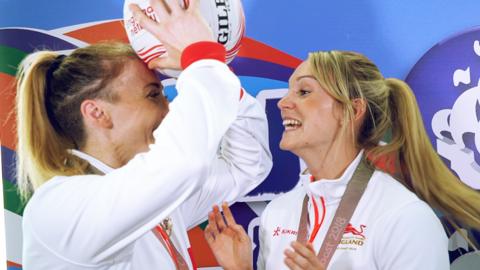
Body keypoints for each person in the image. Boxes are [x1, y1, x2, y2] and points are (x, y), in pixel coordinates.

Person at [16, 0, 272, 269]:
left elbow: (245, 164)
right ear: (97, 113)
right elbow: (184, 165)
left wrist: (210, 71)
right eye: (153, 95)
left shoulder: (154, 201)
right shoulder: (59, 209)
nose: (167, 109)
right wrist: (201, 58)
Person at [204, 50, 480, 270]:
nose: (283, 102)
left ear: (352, 109)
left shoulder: (403, 217)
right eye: (289, 91)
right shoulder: (278, 214)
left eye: (303, 92)